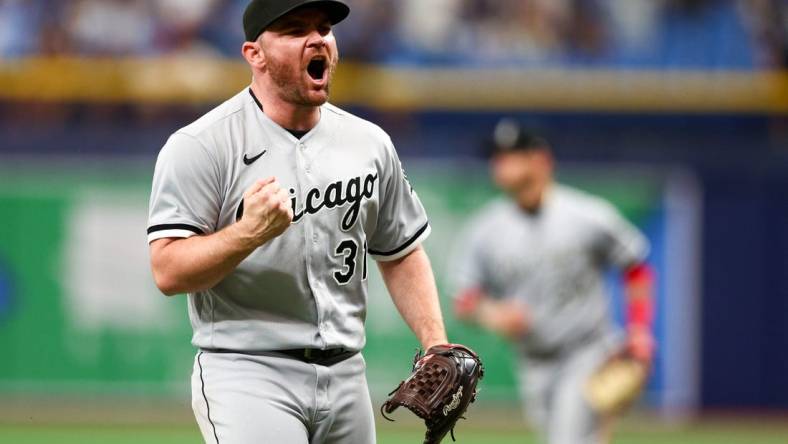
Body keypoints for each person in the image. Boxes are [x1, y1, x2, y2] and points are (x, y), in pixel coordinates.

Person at [146, 1, 450, 442]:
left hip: (347, 373)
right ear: (255, 54)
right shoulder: (201, 145)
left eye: (324, 27)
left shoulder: (368, 143)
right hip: (248, 370)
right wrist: (246, 234)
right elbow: (168, 270)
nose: (317, 39)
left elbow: (401, 252)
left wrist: (435, 342)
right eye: (293, 30)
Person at [450, 119, 655, 444]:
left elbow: (636, 266)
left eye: (512, 154)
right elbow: (464, 300)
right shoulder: (485, 230)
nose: (501, 163)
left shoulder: (585, 215)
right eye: (497, 156)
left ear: (540, 159)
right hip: (532, 363)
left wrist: (640, 329)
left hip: (587, 353)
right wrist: (493, 314)